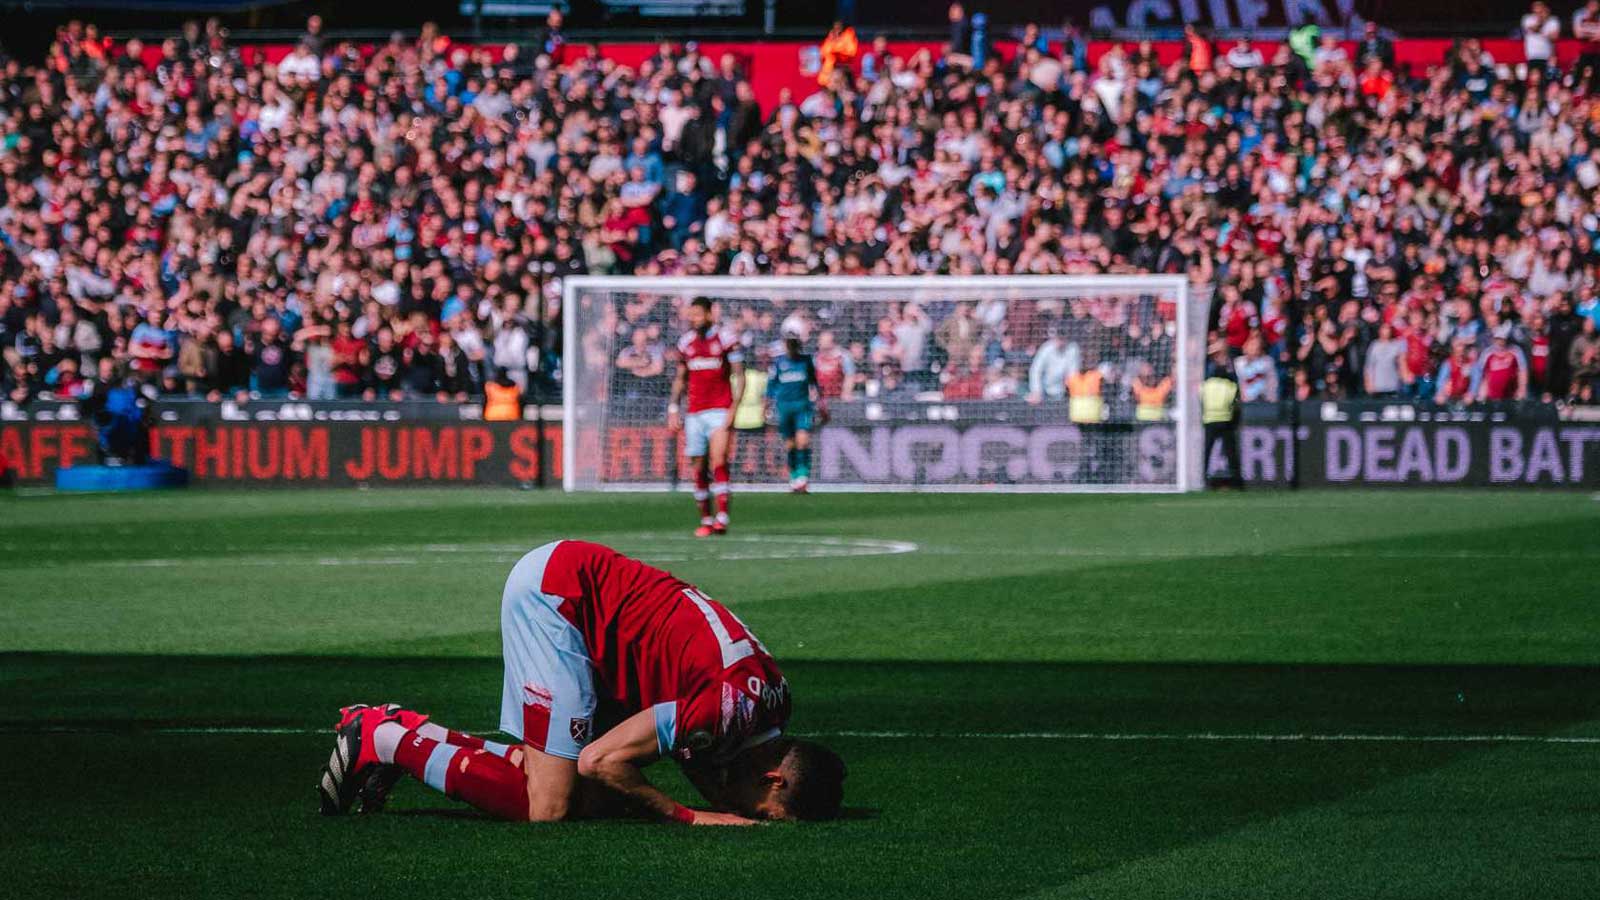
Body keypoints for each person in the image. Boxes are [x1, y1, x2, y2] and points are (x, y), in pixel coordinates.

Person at [316, 540, 845, 825]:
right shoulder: (728, 711)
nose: (745, 813)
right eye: (762, 812)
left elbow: (691, 759)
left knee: (597, 797)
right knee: (550, 806)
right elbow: (602, 758)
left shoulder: (769, 708)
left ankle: (408, 732)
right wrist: (691, 817)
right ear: (774, 778)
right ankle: (383, 738)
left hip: (599, 614)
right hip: (563, 600)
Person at [668, 298, 744, 537]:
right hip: (694, 412)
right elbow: (681, 378)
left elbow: (739, 375)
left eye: (698, 314)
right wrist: (673, 408)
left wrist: (734, 408)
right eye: (691, 315)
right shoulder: (686, 343)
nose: (694, 319)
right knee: (698, 467)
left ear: (710, 314)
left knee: (718, 459)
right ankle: (706, 519)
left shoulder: (726, 339)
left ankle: (722, 517)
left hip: (720, 409)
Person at [766, 324, 824, 493]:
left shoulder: (806, 361)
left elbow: (814, 384)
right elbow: (770, 387)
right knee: (790, 445)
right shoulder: (778, 363)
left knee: (803, 441)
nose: (791, 346)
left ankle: (803, 476)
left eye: (794, 342)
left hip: (802, 407)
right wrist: (766, 406)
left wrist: (820, 405)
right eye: (789, 342)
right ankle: (794, 476)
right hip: (784, 408)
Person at [1201, 350, 1242, 489]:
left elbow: (1200, 401)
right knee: (1231, 453)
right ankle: (1237, 483)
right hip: (1225, 421)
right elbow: (1235, 403)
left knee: (1207, 452)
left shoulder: (1205, 386)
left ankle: (1201, 480)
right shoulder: (1231, 386)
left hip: (1209, 421)